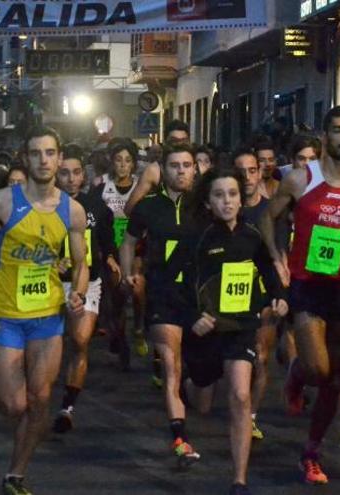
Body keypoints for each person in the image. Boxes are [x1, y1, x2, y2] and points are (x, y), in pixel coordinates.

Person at [0, 127, 89, 495]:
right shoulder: (2, 202)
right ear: (25, 158)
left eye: (50, 153)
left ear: (60, 157)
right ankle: (28, 432)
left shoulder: (72, 210)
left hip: (48, 316)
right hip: (5, 315)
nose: (44, 160)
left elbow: (81, 262)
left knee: (40, 399)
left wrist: (78, 292)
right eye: (36, 153)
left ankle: (16, 474)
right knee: (13, 404)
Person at [259, 105, 340, 484]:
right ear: (325, 137)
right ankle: (296, 373)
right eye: (338, 130)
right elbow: (267, 217)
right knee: (317, 368)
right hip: (308, 285)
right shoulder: (300, 179)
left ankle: (311, 451)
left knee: (336, 378)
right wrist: (277, 258)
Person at [164, 167, 288, 495]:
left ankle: (239, 480)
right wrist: (192, 317)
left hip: (241, 328)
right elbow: (166, 282)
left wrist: (279, 298)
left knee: (240, 395)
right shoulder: (197, 236)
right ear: (208, 201)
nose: (227, 201)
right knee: (203, 400)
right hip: (205, 332)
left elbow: (269, 270)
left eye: (232, 194)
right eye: (219, 195)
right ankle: (190, 385)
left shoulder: (250, 235)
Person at [118, 142, 200, 466]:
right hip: (163, 294)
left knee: (201, 377)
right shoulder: (149, 206)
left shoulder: (205, 205)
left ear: (195, 169)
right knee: (171, 366)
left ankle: (193, 403)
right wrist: (128, 275)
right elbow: (128, 242)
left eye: (187, 165)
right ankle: (179, 437)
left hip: (198, 297)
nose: (181, 171)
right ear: (162, 171)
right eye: (174, 165)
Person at [52, 144, 115, 433]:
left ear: (84, 174)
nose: (71, 178)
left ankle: (67, 406)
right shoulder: (45, 207)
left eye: (76, 172)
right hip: (50, 283)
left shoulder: (98, 208)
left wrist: (113, 261)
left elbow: (107, 243)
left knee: (79, 340)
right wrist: (53, 261)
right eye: (64, 173)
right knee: (51, 345)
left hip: (88, 282)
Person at [231, 148, 278, 441]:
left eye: (252, 171)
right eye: (241, 171)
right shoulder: (222, 207)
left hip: (261, 294)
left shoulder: (273, 210)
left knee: (261, 357)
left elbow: (279, 253)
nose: (247, 177)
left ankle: (250, 417)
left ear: (260, 173)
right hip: (228, 294)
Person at [97, 140, 147, 359]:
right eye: (118, 160)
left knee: (137, 289)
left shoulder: (141, 186)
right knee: (116, 295)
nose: (123, 165)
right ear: (112, 162)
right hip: (111, 248)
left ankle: (138, 327)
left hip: (136, 247)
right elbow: (96, 219)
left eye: (128, 160)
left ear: (134, 164)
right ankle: (119, 336)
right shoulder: (102, 186)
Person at [123, 120, 191, 216]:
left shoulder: (201, 168)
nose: (179, 145)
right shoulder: (154, 171)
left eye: (183, 141)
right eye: (173, 141)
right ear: (165, 142)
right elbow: (130, 208)